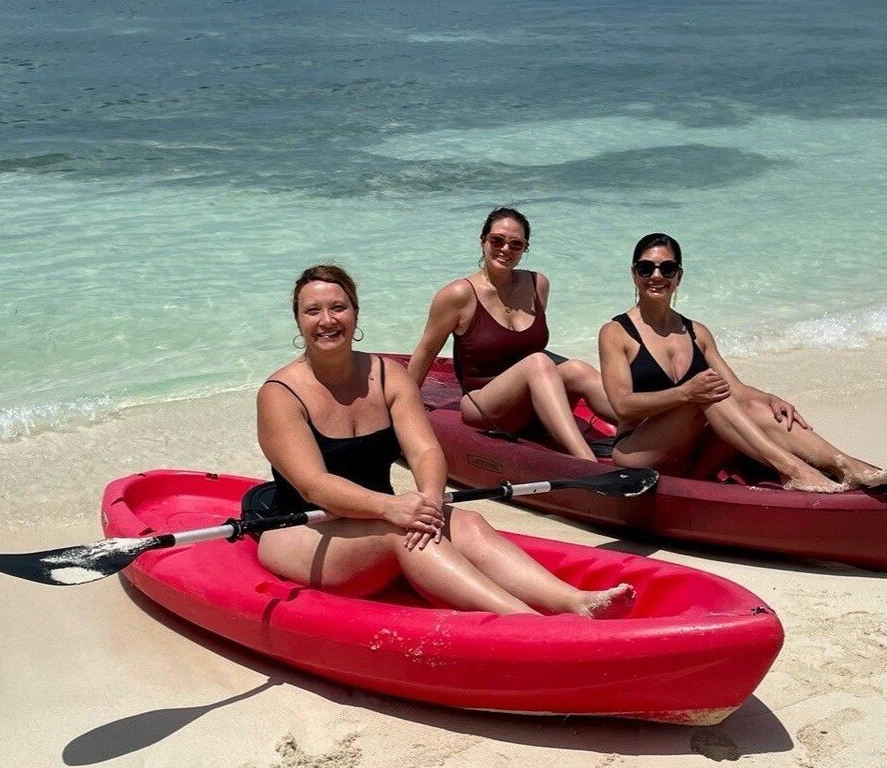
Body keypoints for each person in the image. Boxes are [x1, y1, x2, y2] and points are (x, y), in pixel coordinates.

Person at [256, 263, 634, 615]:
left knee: (467, 522)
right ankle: (525, 620)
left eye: (338, 308)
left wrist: (431, 500)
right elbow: (314, 485)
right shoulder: (281, 393)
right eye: (313, 311)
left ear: (355, 313)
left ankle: (576, 601)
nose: (327, 320)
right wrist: (391, 508)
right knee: (403, 534)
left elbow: (424, 450)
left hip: (380, 517)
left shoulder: (388, 375)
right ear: (298, 320)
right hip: (303, 528)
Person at [598, 232, 887, 494]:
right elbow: (622, 405)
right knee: (706, 392)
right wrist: (685, 393)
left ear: (679, 275)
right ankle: (794, 470)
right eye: (645, 267)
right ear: (634, 274)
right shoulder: (617, 333)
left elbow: (736, 391)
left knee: (754, 406)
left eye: (667, 268)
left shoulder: (696, 332)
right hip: (638, 451)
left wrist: (770, 400)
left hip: (691, 454)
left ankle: (843, 464)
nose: (656, 275)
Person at [406, 207, 613, 461]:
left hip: (533, 401)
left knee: (577, 368)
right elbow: (426, 353)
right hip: (484, 404)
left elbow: (523, 348)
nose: (505, 249)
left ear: (525, 249)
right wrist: (400, 411)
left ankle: (647, 429)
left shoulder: (538, 284)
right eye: (497, 240)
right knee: (538, 361)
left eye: (516, 244)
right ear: (483, 241)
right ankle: (586, 462)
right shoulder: (459, 295)